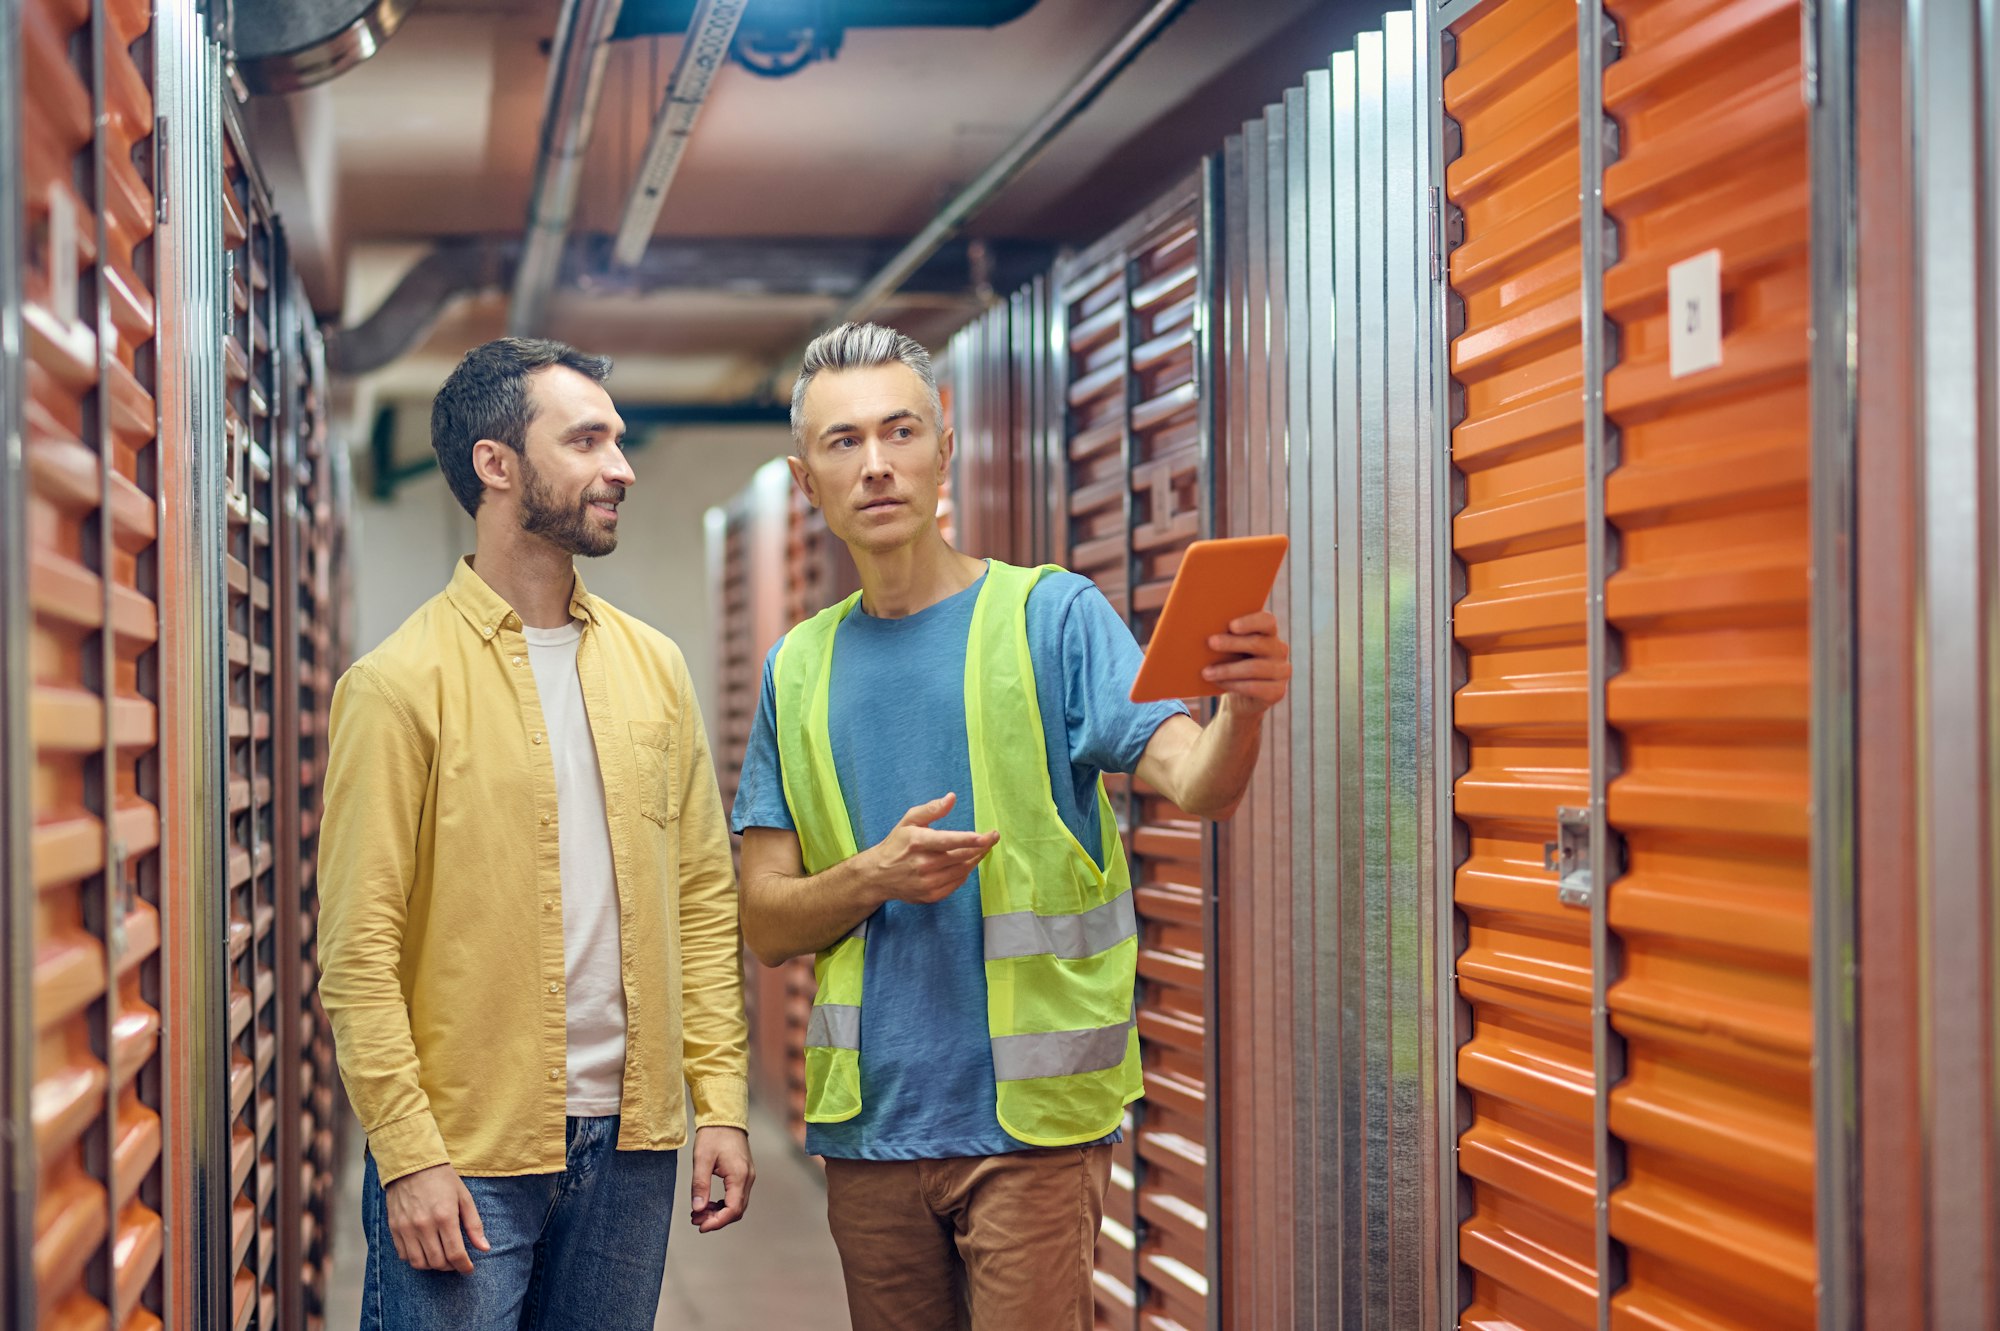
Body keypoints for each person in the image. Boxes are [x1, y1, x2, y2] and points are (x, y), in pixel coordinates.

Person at [734, 322, 1289, 1329]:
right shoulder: (795, 668)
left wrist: (1240, 710)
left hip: (1027, 1132)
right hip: (871, 1129)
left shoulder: (1053, 617)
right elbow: (767, 922)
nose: (876, 464)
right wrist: (873, 876)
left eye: (899, 431)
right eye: (843, 441)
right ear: (805, 476)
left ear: (943, 449)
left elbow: (1197, 783)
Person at [318, 338, 753, 1331]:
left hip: (633, 1144)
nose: (622, 467)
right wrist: (408, 1149)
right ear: (496, 463)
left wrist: (718, 1099)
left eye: (620, 439)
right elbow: (357, 948)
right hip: (467, 1149)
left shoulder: (655, 669)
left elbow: (699, 899)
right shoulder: (394, 687)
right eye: (589, 439)